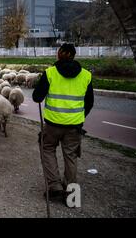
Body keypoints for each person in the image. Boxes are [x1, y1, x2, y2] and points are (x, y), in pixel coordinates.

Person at [32, 43, 94, 204]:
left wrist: (40, 86)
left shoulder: (50, 73)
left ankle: (55, 187)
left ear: (60, 54)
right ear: (74, 56)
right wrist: (79, 116)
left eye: (58, 52)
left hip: (52, 124)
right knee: (71, 156)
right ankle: (72, 194)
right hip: (74, 126)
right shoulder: (86, 75)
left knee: (47, 149)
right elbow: (89, 102)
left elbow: (36, 97)